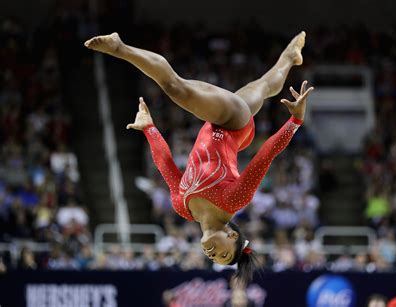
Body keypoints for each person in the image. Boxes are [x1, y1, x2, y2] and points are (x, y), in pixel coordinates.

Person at [84, 31, 313, 284]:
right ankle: (119, 47)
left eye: (215, 259)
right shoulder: (234, 200)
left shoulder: (183, 208)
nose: (212, 254)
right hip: (231, 123)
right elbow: (265, 155)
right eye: (223, 253)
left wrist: (149, 128)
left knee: (264, 86)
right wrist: (295, 120)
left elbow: (166, 166)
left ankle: (290, 57)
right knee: (175, 87)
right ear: (233, 236)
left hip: (231, 131)